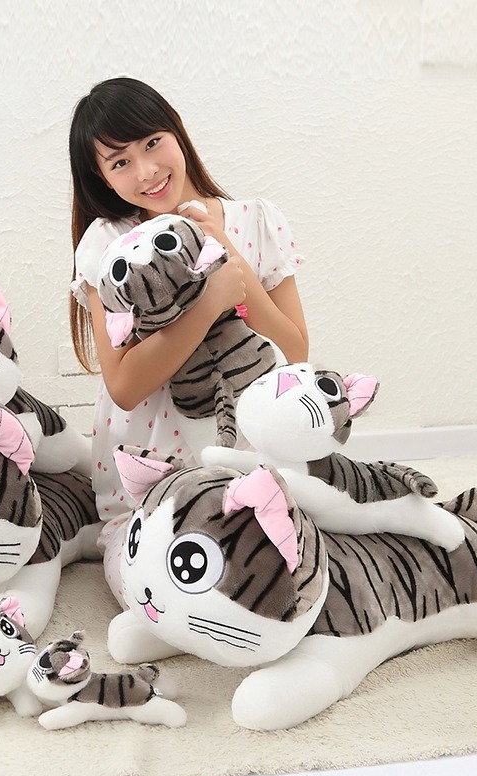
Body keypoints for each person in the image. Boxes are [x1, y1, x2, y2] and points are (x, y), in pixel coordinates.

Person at [68, 77, 309, 605]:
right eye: (120, 162)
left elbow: (294, 352)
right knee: (171, 596)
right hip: (149, 485)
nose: (146, 171)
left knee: (284, 588)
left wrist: (225, 253)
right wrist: (206, 303)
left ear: (177, 132)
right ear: (101, 178)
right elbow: (125, 386)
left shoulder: (255, 221)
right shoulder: (109, 246)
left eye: (152, 143)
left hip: (250, 471)